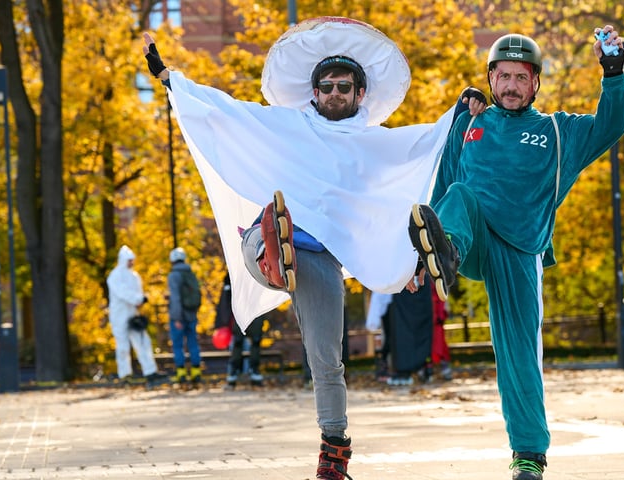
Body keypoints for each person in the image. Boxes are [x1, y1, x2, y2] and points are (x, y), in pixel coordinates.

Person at [142, 17, 486, 480]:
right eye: (325, 86)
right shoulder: (288, 126)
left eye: (344, 86)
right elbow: (227, 112)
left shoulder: (372, 144)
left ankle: (334, 454)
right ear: (314, 91)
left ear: (360, 93)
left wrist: (460, 110)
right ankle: (273, 250)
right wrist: (172, 80)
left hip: (320, 257)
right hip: (279, 240)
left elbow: (423, 145)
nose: (334, 93)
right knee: (260, 235)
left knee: (327, 358)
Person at [406, 26, 624, 479]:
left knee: (519, 353)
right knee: (460, 195)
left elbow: (610, 125)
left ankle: (528, 453)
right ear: (491, 79)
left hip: (520, 250)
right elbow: (443, 187)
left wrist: (613, 73)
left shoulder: (556, 131)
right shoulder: (470, 122)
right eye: (502, 76)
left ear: (535, 83)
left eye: (520, 77)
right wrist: (416, 258)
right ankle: (441, 254)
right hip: (467, 237)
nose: (510, 85)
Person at [106, 245, 165, 387]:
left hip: (133, 314)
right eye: (129, 260)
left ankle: (150, 372)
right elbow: (123, 293)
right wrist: (138, 299)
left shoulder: (135, 276)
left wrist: (140, 301)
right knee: (123, 346)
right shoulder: (115, 276)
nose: (131, 263)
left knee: (143, 342)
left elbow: (137, 293)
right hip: (119, 315)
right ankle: (125, 375)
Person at [167, 247, 203, 384]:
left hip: (179, 317)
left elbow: (176, 298)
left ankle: (181, 373)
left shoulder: (173, 275)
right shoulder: (190, 273)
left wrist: (176, 318)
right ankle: (196, 372)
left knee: (178, 345)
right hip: (192, 315)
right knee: (193, 343)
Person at [430, 278, 453, 381]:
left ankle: (444, 369)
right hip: (428, 319)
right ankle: (431, 369)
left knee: (440, 345)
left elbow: (444, 298)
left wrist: (441, 314)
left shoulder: (440, 281)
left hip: (437, 320)